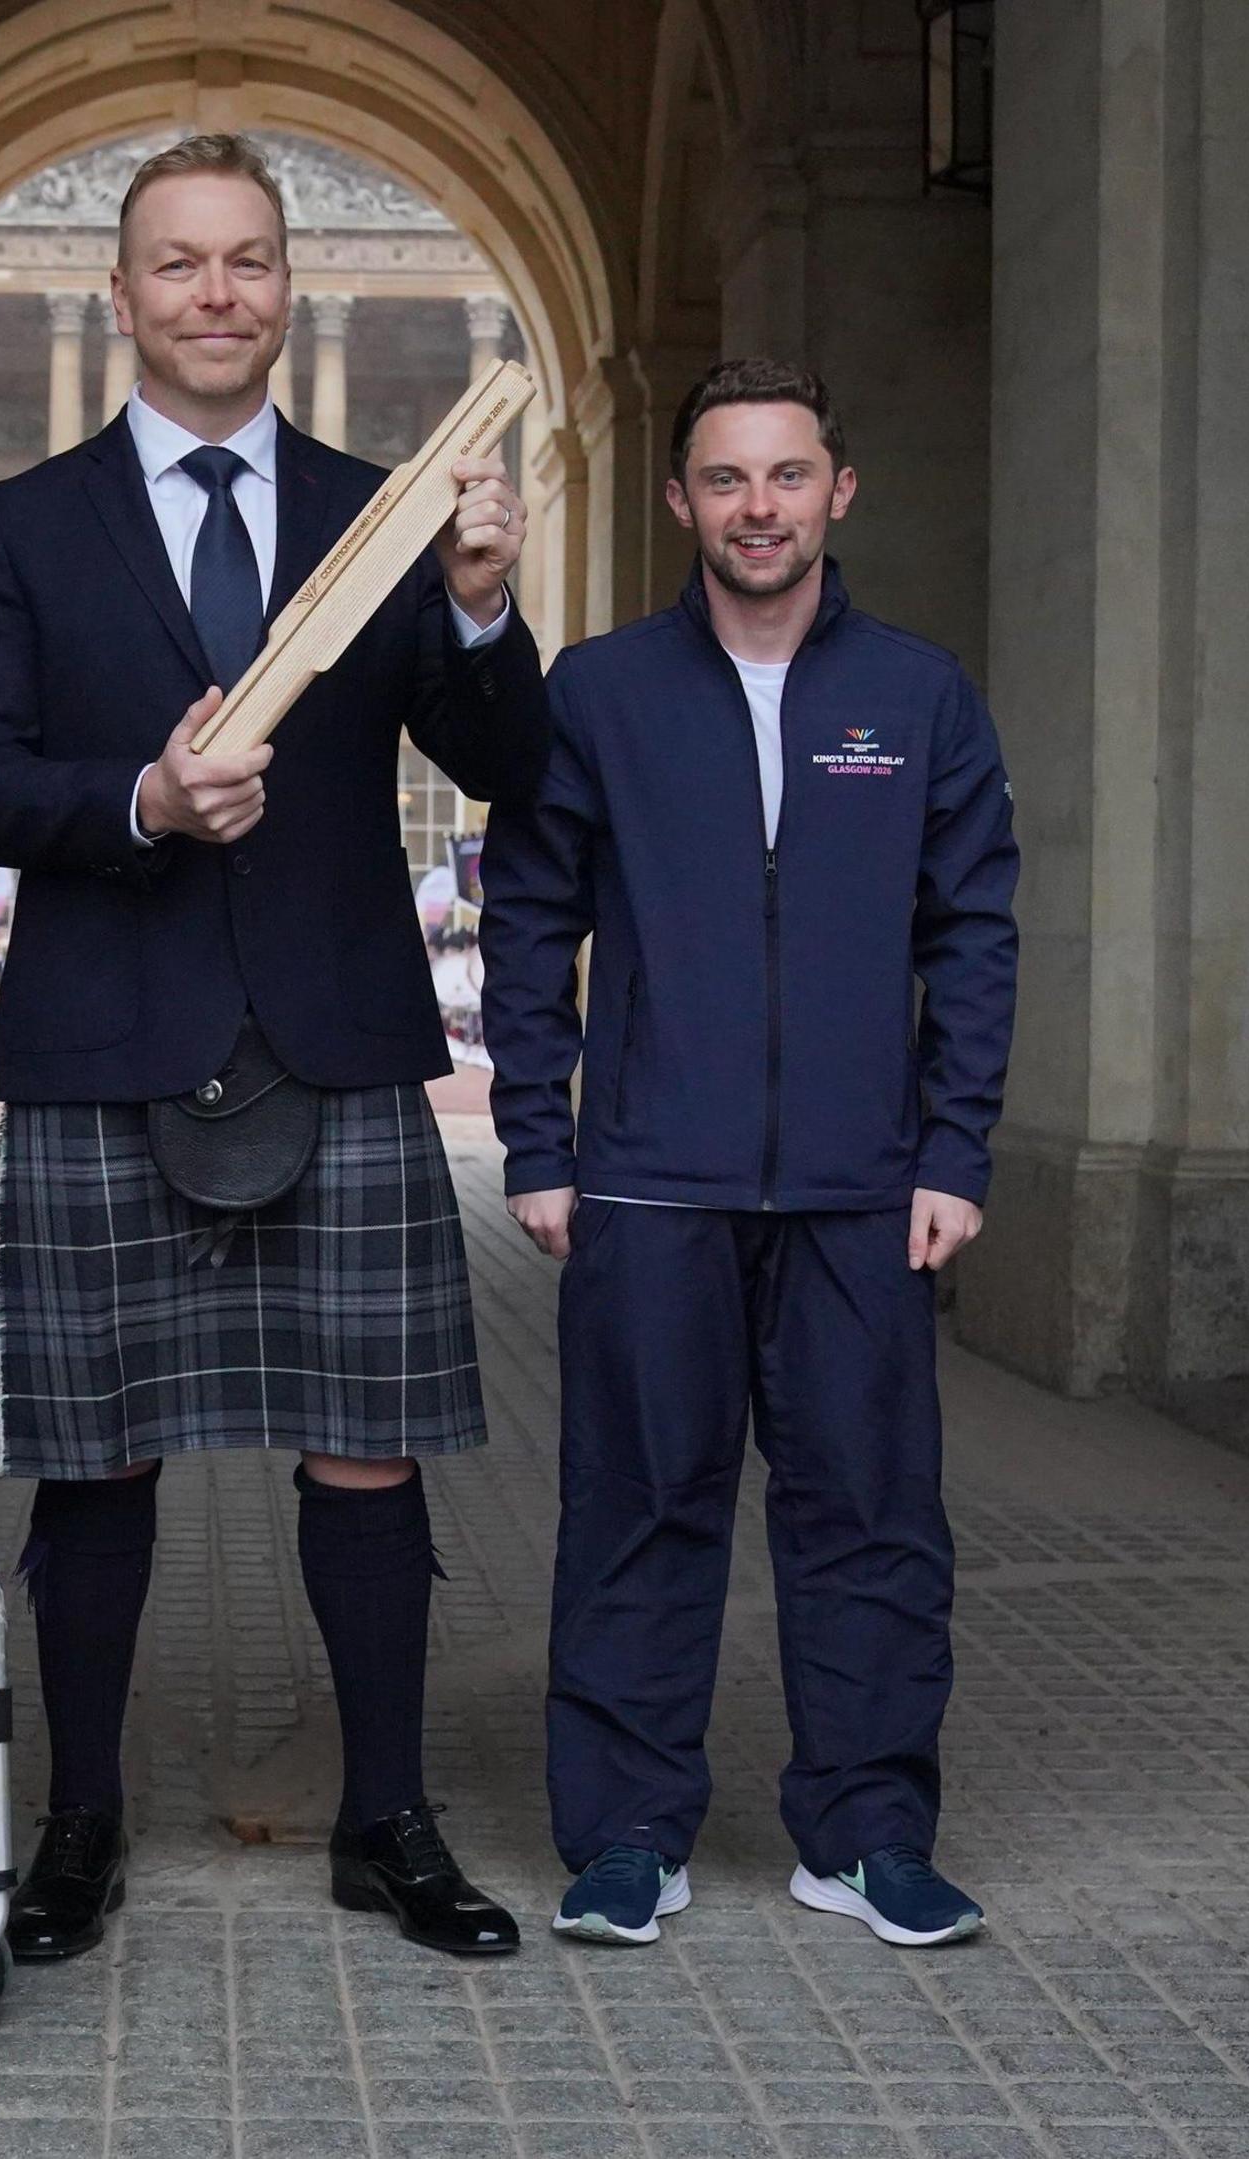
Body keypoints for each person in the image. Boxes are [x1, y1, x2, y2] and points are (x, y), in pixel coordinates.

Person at [0, 133, 550, 1961]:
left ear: (290, 290)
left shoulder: (392, 509)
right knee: (90, 1461)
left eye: (250, 261)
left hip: (338, 1031)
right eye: (181, 264)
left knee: (371, 1453)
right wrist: (137, 798)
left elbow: (505, 765)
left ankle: (389, 1820)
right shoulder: (26, 524)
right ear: (119, 298)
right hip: (107, 1035)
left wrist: (486, 604)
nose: (218, 293)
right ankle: (80, 1824)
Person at [482, 358, 1019, 1951]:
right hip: (650, 1183)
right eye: (727, 479)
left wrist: (956, 1148)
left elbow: (975, 932)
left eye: (788, 476)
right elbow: (527, 918)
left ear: (838, 491)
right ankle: (629, 1835)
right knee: (642, 1510)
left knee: (871, 1518)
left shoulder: (919, 699)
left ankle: (865, 1833)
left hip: (864, 1191)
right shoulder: (598, 691)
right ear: (681, 502)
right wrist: (538, 1139)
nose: (759, 507)